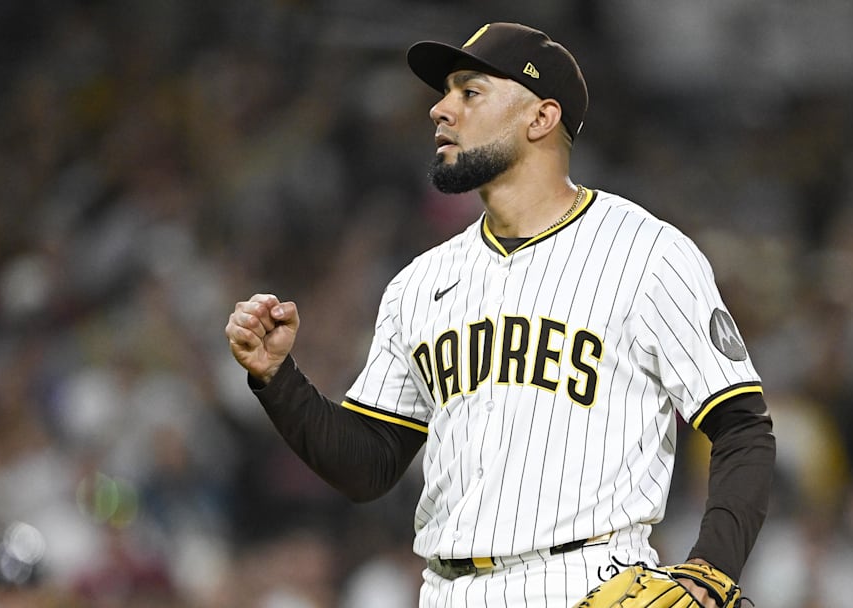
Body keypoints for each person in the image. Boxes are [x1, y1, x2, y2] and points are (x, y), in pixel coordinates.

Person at [226, 22, 775, 608]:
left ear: (541, 118)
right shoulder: (420, 283)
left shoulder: (645, 252)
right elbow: (369, 465)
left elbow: (742, 425)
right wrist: (276, 378)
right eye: (445, 94)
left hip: (586, 581)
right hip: (445, 590)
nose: (440, 109)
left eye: (470, 92)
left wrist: (710, 569)